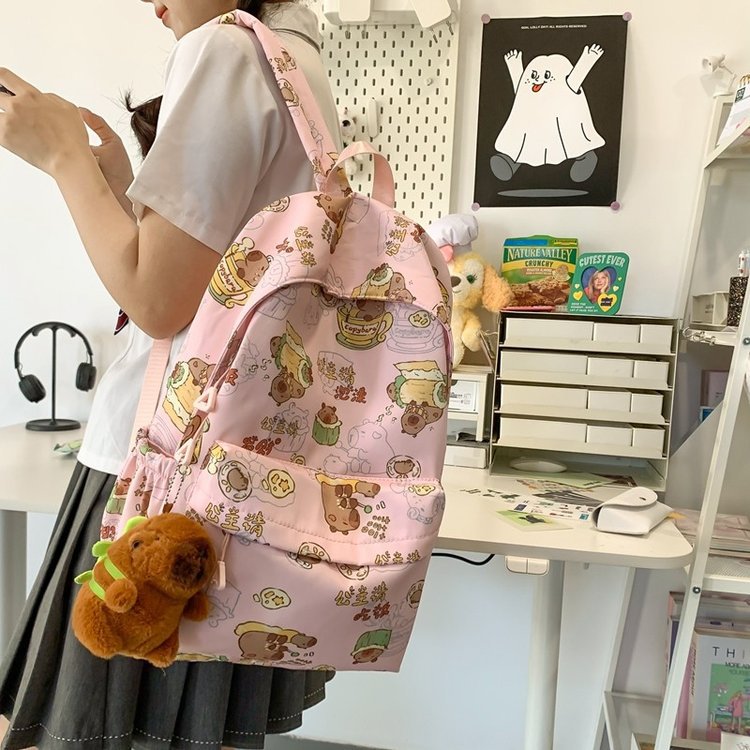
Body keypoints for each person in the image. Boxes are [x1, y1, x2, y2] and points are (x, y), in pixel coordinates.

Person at [0, 2, 342, 749]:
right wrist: (123, 189)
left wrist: (62, 159)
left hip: (157, 468)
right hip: (244, 473)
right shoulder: (298, 57)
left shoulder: (226, 49)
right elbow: (215, 282)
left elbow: (156, 302)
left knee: (89, 724)